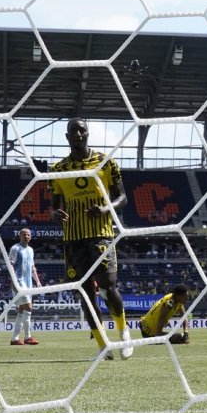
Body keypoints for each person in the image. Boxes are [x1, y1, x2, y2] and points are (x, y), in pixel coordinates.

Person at [49, 118, 133, 359]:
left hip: (101, 234)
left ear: (88, 134)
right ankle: (102, 344)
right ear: (67, 137)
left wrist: (106, 209)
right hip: (73, 238)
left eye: (81, 130)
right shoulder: (57, 169)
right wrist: (55, 214)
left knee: (108, 284)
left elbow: (123, 198)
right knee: (85, 294)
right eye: (73, 130)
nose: (77, 133)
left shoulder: (106, 162)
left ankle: (123, 332)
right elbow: (54, 206)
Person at [8, 227, 43, 346]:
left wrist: (37, 281)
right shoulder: (15, 248)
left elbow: (32, 267)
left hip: (29, 284)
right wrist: (14, 283)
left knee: (21, 311)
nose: (26, 236)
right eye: (24, 234)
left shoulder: (31, 250)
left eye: (28, 234)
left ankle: (14, 339)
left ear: (30, 237)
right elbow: (11, 266)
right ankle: (28, 337)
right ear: (20, 236)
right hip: (19, 283)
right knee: (28, 307)